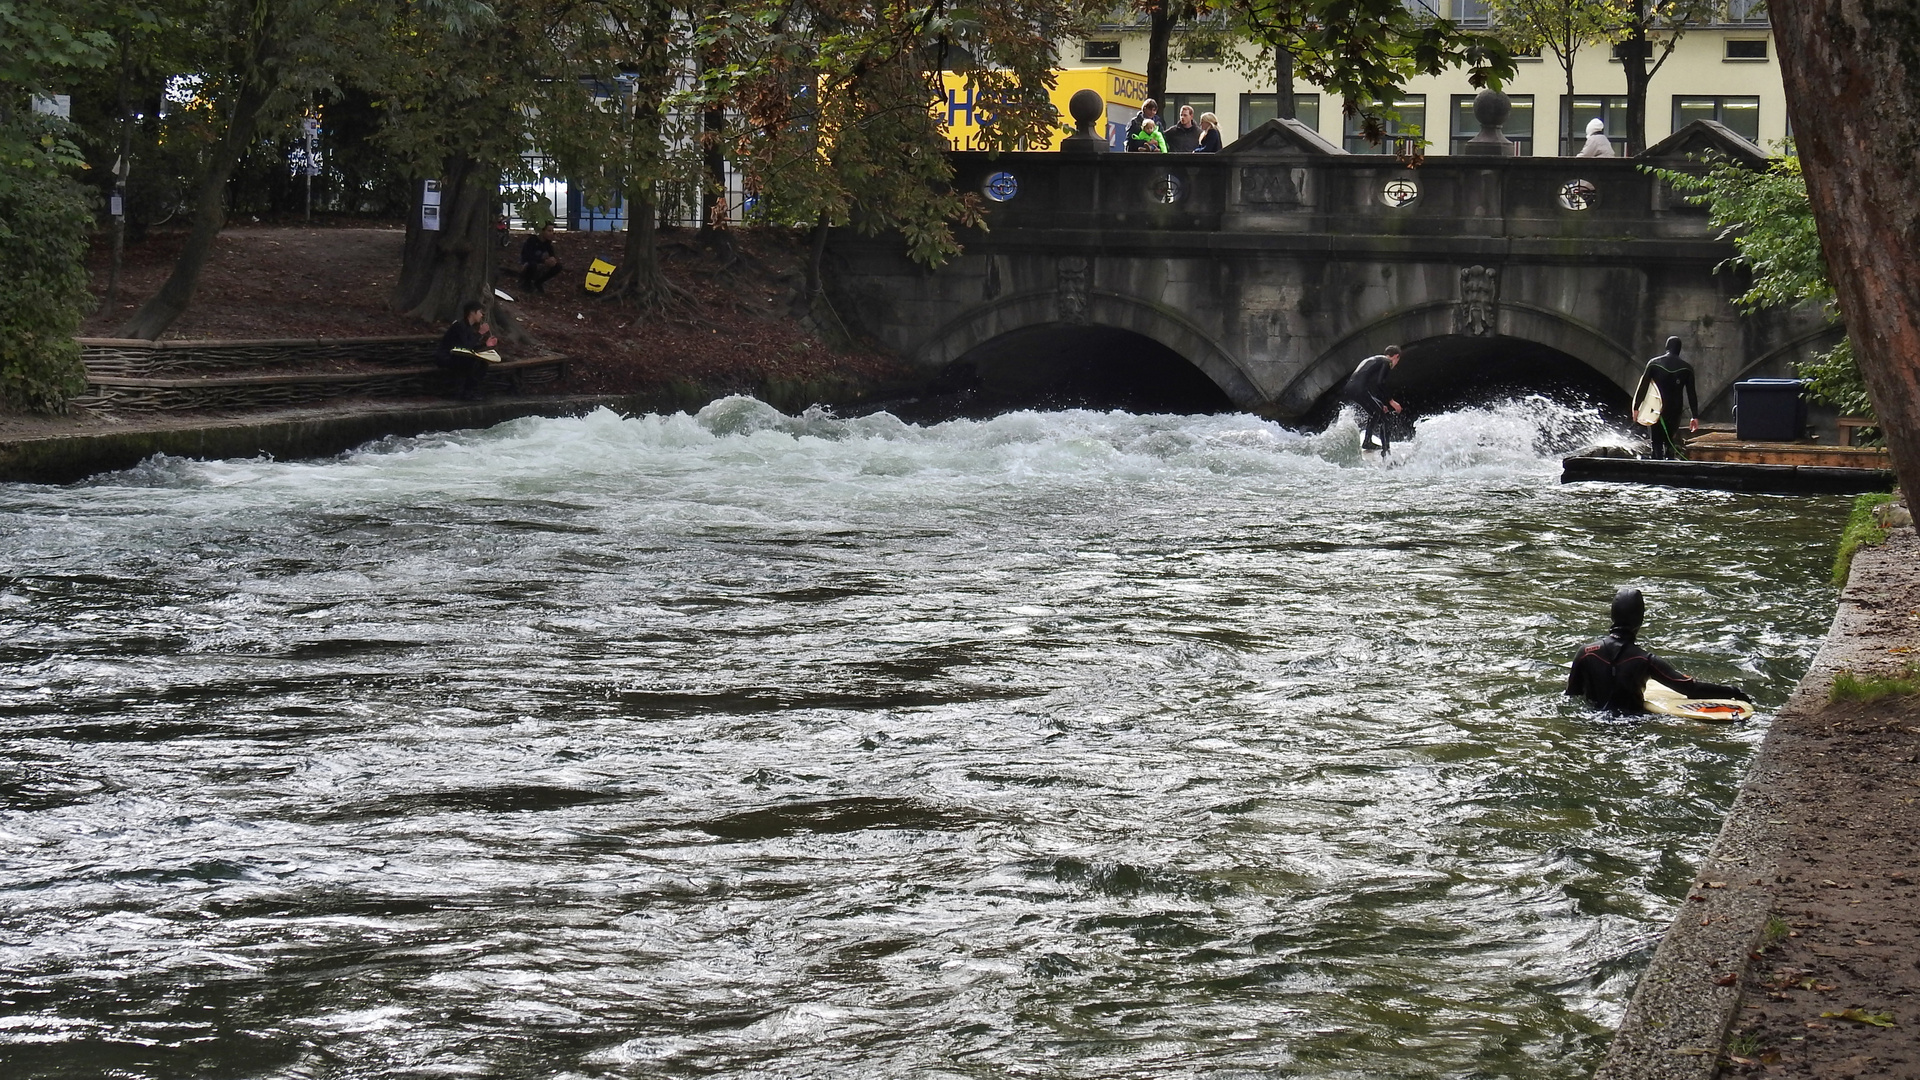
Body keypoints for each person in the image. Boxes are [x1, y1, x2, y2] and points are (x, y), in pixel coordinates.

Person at [1567, 588, 1752, 713]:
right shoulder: (1644, 660)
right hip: (1632, 727)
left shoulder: (1585, 652)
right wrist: (1733, 691)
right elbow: (1690, 689)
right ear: (1640, 620)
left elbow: (1571, 695)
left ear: (1613, 616)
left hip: (1591, 722)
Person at [1632, 336, 1700, 460]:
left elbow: (1643, 387)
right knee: (1670, 441)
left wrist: (1636, 408)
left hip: (1656, 407)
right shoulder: (1687, 368)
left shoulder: (1654, 363)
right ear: (1679, 350)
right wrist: (1694, 416)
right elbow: (1691, 393)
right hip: (1675, 408)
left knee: (1656, 442)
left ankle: (1656, 466)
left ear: (1667, 347)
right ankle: (1670, 463)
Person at [1342, 345, 1403, 452]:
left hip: (1350, 389)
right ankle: (1386, 451)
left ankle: (1367, 441)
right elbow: (1380, 383)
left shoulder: (1376, 360)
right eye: (1398, 361)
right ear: (1396, 357)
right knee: (1384, 417)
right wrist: (1391, 401)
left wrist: (1379, 403)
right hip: (1359, 389)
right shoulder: (1387, 362)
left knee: (1377, 411)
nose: (1396, 364)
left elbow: (1366, 383)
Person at [435, 301, 498, 399]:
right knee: (471, 363)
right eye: (480, 312)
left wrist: (485, 344)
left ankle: (469, 390)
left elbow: (470, 347)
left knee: (483, 364)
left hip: (458, 356)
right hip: (447, 356)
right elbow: (466, 346)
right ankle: (465, 392)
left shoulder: (468, 327)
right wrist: (480, 333)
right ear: (472, 312)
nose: (481, 315)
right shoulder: (459, 326)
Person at [519, 224, 563, 293]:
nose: (551, 233)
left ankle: (539, 282)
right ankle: (526, 283)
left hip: (541, 265)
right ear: (542, 231)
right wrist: (543, 261)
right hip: (528, 265)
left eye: (552, 231)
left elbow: (552, 255)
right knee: (531, 265)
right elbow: (528, 256)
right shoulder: (532, 241)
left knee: (558, 266)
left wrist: (552, 260)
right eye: (549, 231)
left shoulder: (548, 243)